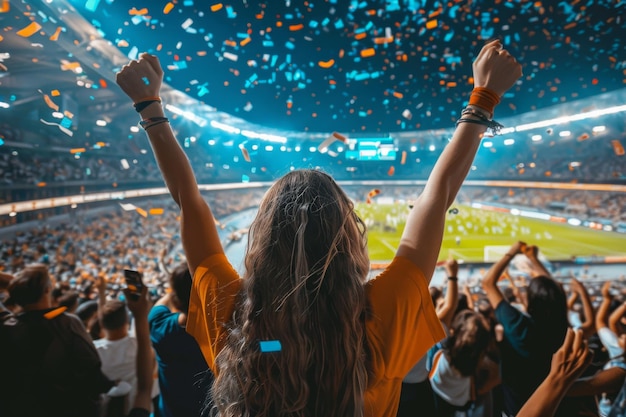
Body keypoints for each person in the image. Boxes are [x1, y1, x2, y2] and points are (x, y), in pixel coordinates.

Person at [116, 38, 522, 416]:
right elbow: (437, 196)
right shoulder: (382, 316)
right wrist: (482, 98)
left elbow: (188, 199)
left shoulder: (231, 313)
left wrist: (150, 106)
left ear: (263, 238)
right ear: (347, 238)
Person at [0, 264, 114, 417]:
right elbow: (92, 370)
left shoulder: (7, 327)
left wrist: (19, 285)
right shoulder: (67, 323)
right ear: (47, 290)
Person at [482, 242, 570, 416]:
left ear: (531, 301)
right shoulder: (560, 326)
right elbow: (555, 293)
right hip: (553, 405)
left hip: (518, 408)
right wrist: (533, 260)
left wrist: (512, 252)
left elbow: (488, 283)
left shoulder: (519, 326)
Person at [149, 262, 211, 417]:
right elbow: (267, 346)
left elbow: (159, 306)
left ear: (176, 302)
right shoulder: (227, 333)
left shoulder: (159, 326)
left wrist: (177, 286)